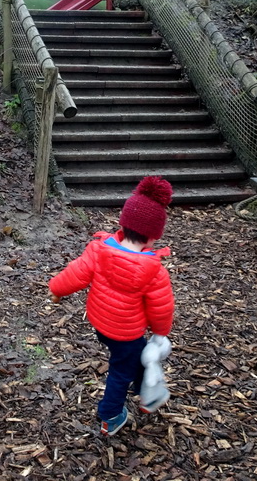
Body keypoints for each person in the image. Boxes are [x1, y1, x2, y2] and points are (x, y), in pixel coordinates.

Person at [49, 176, 175, 436]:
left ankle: (145, 393)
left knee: (136, 356)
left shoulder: (99, 249)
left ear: (124, 223)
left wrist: (56, 289)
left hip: (101, 323)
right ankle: (110, 416)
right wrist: (161, 333)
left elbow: (75, 274)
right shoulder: (153, 270)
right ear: (153, 236)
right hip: (126, 332)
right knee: (121, 370)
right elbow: (161, 307)